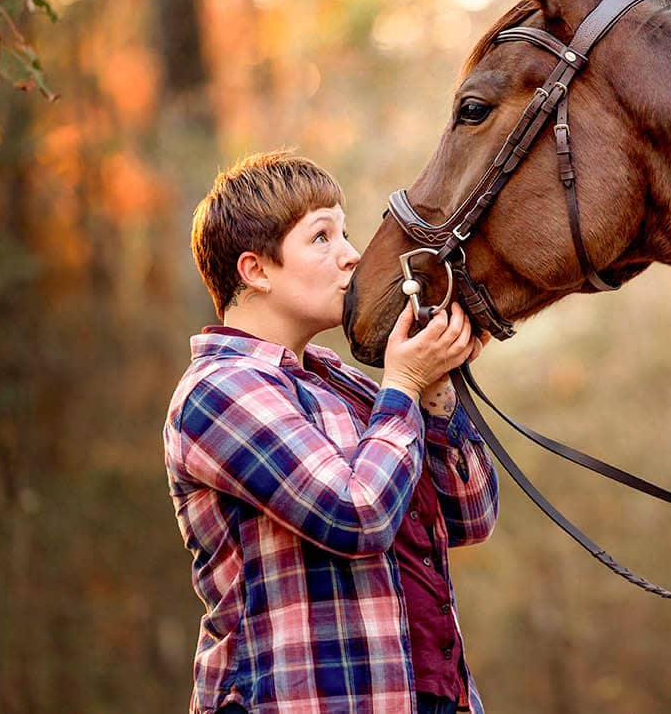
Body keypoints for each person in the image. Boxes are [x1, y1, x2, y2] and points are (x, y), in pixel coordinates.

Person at [164, 151, 497, 714]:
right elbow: (357, 512)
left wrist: (436, 390)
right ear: (256, 270)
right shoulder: (217, 392)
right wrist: (404, 384)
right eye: (322, 238)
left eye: (345, 233)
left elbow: (471, 518)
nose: (353, 256)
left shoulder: (343, 383)